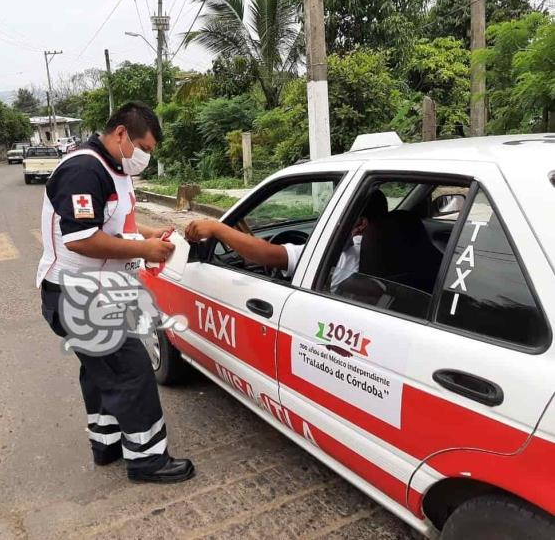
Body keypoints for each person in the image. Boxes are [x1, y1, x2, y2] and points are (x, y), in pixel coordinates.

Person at [36, 102, 195, 483]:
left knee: (100, 373)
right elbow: (81, 239)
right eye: (146, 148)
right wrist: (145, 250)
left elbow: (111, 223)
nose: (145, 157)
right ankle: (148, 460)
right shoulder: (83, 169)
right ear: (122, 134)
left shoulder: (113, 168)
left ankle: (106, 443)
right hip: (77, 295)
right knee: (132, 371)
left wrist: (147, 234)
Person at [185, 190, 388, 287]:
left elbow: (264, 254)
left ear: (360, 224)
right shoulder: (394, 252)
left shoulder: (336, 255)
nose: (331, 224)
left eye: (338, 217)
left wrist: (216, 228)